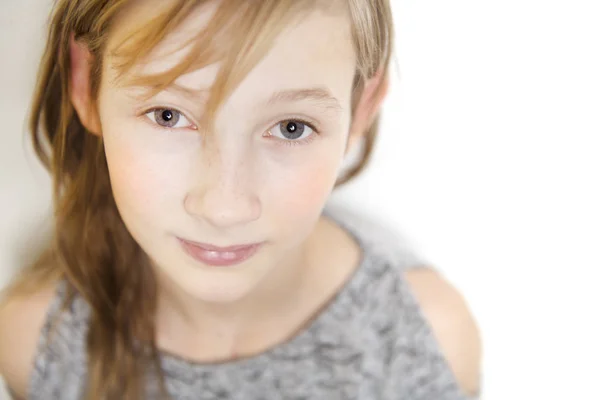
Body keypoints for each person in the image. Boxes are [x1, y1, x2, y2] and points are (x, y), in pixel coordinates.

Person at [0, 0, 481, 399]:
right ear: (85, 83)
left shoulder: (424, 340)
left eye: (291, 127)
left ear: (362, 110)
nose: (223, 208)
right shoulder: (36, 344)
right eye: (168, 115)